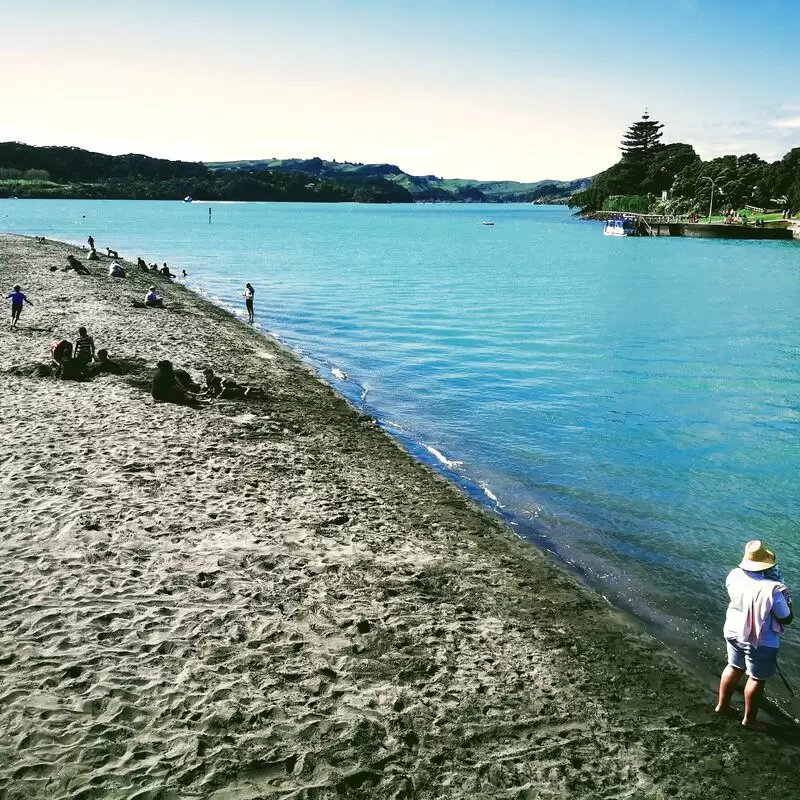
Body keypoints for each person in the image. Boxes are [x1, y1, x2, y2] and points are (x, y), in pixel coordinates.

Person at [716, 540, 793, 731]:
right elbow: (786, 618)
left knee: (734, 667)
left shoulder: (734, 575)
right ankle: (749, 720)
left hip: (733, 630)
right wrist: (787, 602)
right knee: (757, 679)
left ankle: (722, 706)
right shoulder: (773, 589)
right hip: (759, 639)